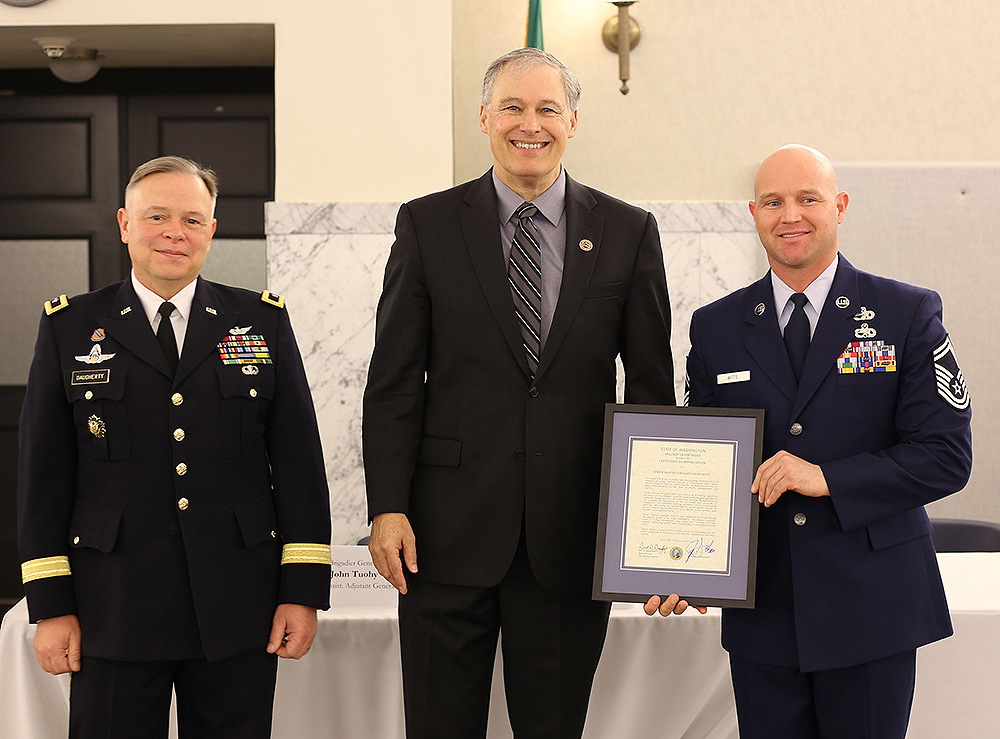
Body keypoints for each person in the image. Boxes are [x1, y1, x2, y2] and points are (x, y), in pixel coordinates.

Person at [363, 48, 675, 738]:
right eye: (512, 107)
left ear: (572, 121)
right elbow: (392, 383)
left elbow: (651, 390)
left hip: (570, 540)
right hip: (441, 539)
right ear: (483, 117)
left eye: (545, 109)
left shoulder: (628, 232)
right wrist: (386, 506)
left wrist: (657, 536)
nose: (528, 124)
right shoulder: (427, 224)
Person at [647, 144, 972, 738]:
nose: (789, 215)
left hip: (873, 605)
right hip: (764, 607)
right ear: (754, 213)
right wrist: (680, 560)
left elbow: (946, 457)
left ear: (840, 206)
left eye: (808, 199)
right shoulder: (716, 326)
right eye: (773, 201)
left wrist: (825, 478)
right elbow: (705, 461)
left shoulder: (905, 313)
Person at [17, 156, 332, 738]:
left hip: (238, 603)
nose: (174, 232)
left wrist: (303, 590)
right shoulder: (70, 325)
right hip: (112, 603)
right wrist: (50, 604)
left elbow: (298, 466)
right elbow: (44, 474)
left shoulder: (259, 322)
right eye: (156, 216)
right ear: (123, 224)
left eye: (192, 218)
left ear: (212, 228)